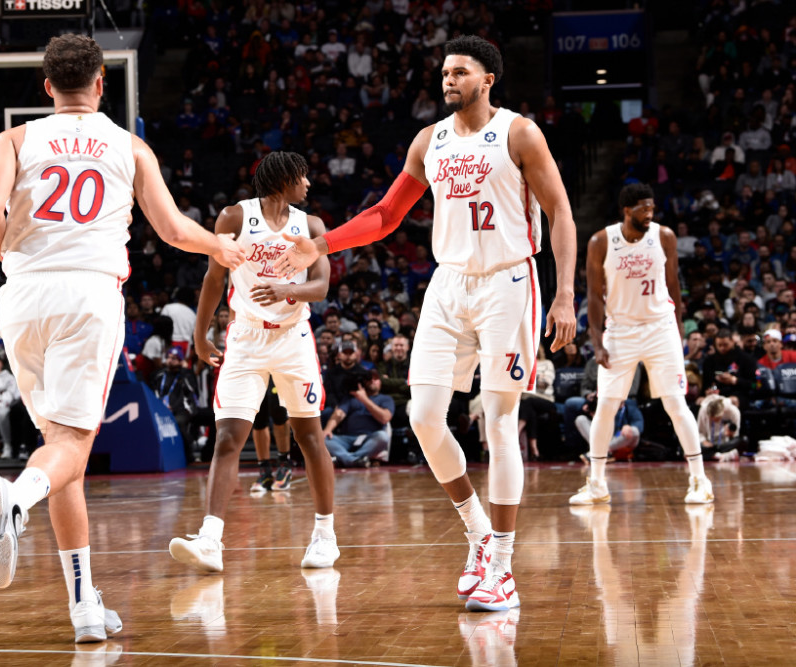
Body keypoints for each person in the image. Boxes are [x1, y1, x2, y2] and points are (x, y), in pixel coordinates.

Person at [274, 35, 577, 612]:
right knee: (423, 417)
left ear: (487, 80)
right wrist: (321, 244)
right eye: (444, 72)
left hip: (509, 281)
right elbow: (386, 215)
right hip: (448, 283)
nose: (448, 80)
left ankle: (503, 568)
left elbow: (561, 211)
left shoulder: (519, 133)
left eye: (460, 72)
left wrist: (565, 294)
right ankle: (478, 533)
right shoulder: (428, 140)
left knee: (499, 421)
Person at [0, 34, 243, 643]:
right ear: (100, 83)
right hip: (88, 293)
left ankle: (84, 607)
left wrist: (15, 256)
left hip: (23, 293)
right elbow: (173, 230)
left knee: (61, 448)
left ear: (46, 87)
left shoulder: (14, 139)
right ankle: (15, 500)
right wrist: (219, 246)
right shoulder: (129, 145)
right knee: (69, 448)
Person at [169, 150, 338, 574]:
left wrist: (287, 290)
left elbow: (321, 286)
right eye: (302, 177)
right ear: (284, 180)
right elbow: (214, 279)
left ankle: (325, 535)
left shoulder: (310, 226)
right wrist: (200, 335)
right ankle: (210, 539)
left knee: (309, 437)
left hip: (293, 337)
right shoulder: (234, 218)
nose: (308, 184)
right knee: (228, 437)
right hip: (245, 336)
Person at [569, 183, 713, 506]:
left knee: (675, 403)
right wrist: (597, 342)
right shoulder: (601, 242)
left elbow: (673, 285)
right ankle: (596, 484)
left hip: (659, 328)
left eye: (652, 208)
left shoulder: (664, 237)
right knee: (606, 405)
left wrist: (677, 331)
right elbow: (594, 296)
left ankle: (700, 480)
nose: (649, 214)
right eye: (643, 209)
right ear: (627, 210)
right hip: (620, 330)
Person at [321, 369, 394, 466]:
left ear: (380, 382)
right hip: (347, 439)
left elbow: (385, 418)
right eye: (370, 379)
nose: (372, 381)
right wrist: (327, 430)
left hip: (370, 438)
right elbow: (338, 414)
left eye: (376, 378)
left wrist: (364, 399)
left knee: (383, 437)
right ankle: (355, 460)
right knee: (323, 439)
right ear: (364, 382)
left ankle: (347, 459)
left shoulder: (386, 399)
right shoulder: (351, 398)